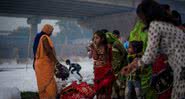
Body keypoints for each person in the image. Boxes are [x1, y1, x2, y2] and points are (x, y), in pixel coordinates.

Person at [121, 0, 185, 99]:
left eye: (141, 17)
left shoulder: (155, 25)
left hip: (179, 66)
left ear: (147, 14)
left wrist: (133, 66)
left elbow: (150, 56)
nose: (141, 20)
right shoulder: (168, 23)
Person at [33, 24, 58, 99]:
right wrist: (57, 62)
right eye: (51, 31)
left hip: (38, 64)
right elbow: (48, 51)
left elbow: (36, 51)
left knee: (42, 85)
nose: (51, 33)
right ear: (47, 30)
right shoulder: (44, 38)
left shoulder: (38, 37)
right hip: (44, 65)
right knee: (49, 84)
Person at [88, 30, 115, 99]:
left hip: (106, 71)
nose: (94, 40)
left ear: (102, 39)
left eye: (97, 38)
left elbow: (108, 58)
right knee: (98, 92)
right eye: (94, 38)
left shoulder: (107, 47)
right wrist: (93, 49)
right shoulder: (95, 47)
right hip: (98, 72)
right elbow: (95, 57)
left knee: (105, 90)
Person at [106, 32, 128, 99]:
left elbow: (124, 53)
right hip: (116, 68)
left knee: (121, 87)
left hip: (120, 68)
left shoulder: (116, 44)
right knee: (116, 87)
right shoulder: (113, 45)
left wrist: (120, 63)